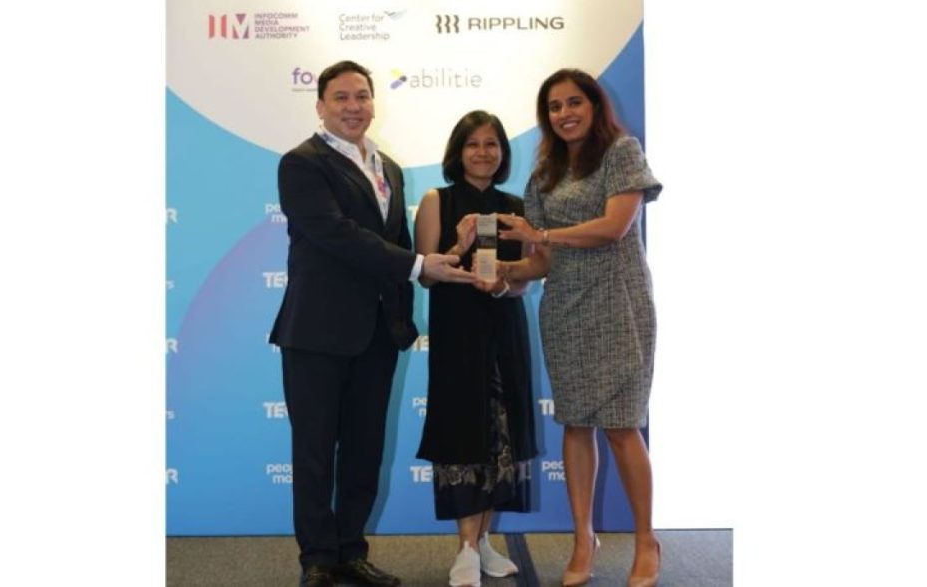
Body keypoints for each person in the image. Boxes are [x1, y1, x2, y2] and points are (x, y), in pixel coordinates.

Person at [270, 60, 476, 587]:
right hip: (316, 333)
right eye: (341, 97)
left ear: (373, 103)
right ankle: (318, 559)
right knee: (315, 453)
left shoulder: (390, 169)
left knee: (364, 451)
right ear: (320, 106)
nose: (353, 106)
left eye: (361, 96)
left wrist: (437, 264)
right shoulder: (301, 163)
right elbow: (335, 234)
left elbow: (397, 243)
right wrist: (418, 265)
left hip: (378, 333)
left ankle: (350, 551)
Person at [496, 69, 663, 587]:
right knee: (575, 424)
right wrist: (504, 272)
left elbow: (614, 227)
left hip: (619, 306)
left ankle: (645, 540)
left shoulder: (621, 152)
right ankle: (583, 537)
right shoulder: (544, 173)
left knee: (621, 425)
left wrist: (542, 233)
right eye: (554, 107)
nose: (564, 114)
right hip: (565, 309)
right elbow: (542, 261)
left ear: (594, 106)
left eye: (574, 103)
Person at [414, 111, 538, 587]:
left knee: (502, 431)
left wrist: (504, 285)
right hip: (457, 332)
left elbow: (524, 280)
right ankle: (465, 548)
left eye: (491, 144)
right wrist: (459, 244)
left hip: (505, 328)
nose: (483, 153)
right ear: (458, 151)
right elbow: (426, 274)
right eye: (473, 144)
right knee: (463, 431)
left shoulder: (514, 207)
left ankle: (483, 542)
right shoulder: (437, 200)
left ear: (503, 152)